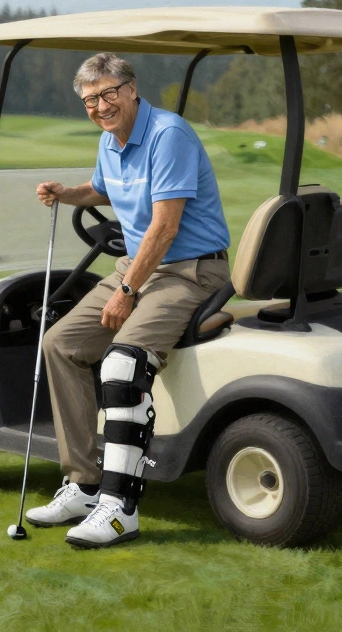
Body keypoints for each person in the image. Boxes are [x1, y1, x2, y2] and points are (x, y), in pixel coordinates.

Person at [24, 53, 231, 549]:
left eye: (109, 93)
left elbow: (165, 226)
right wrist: (68, 193)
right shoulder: (109, 139)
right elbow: (103, 188)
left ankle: (120, 508)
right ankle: (84, 483)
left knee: (121, 365)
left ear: (132, 89)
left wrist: (127, 291)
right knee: (59, 344)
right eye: (90, 100)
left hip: (191, 268)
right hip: (139, 265)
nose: (100, 106)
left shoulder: (168, 135)